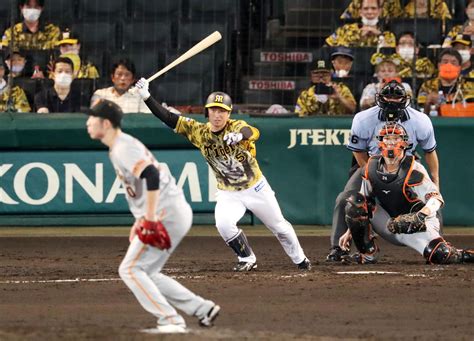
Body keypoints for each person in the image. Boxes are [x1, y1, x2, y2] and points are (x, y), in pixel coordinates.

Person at [134, 78, 312, 272]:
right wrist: (147, 97)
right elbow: (169, 118)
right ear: (207, 111)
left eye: (222, 111)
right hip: (228, 192)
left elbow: (252, 132)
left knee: (279, 227)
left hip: (256, 188)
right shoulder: (199, 132)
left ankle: (300, 259)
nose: (217, 115)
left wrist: (240, 136)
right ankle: (247, 258)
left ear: (228, 113)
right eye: (213, 110)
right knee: (224, 224)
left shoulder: (236, 127)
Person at [85, 99, 220, 334]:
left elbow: (151, 176)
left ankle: (170, 319)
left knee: (130, 270)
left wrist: (149, 217)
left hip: (165, 212)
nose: (87, 123)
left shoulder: (123, 147)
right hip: (171, 211)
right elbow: (143, 181)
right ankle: (202, 308)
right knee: (146, 272)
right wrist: (141, 219)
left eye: (92, 118)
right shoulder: (118, 146)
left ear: (105, 123)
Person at [326, 80, 439, 262]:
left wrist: (435, 181)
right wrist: (372, 174)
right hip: (372, 161)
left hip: (407, 164)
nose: (392, 101)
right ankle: (338, 248)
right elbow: (358, 150)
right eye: (388, 96)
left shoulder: (420, 120)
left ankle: (434, 241)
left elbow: (430, 151)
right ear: (379, 98)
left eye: (396, 97)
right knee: (346, 199)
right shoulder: (363, 119)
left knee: (431, 199)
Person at [339, 122, 473, 264]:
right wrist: (350, 231)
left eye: (395, 138)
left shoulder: (414, 169)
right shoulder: (371, 166)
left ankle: (463, 254)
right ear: (380, 142)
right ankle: (367, 254)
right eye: (387, 138)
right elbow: (363, 200)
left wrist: (420, 216)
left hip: (417, 225)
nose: (391, 142)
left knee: (442, 255)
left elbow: (436, 198)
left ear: (404, 142)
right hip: (389, 223)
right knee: (355, 202)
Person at [417, 48, 474, 114]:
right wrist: (428, 102)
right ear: (439, 65)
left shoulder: (471, 86)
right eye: (445, 62)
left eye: (453, 62)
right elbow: (420, 114)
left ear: (459, 67)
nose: (449, 65)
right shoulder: (427, 86)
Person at [326, 0, 396, 48]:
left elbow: (393, 59)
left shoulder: (388, 36)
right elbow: (327, 50)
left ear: (379, 11)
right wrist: (359, 37)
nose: (370, 12)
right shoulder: (345, 30)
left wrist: (380, 36)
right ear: (360, 12)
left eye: (373, 8)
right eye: (366, 9)